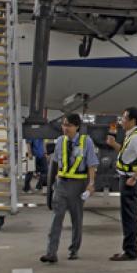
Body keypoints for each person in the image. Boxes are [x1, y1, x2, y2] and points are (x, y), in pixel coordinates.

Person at [41, 113, 98, 263]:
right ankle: (51, 252)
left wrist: (91, 184)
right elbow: (55, 163)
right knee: (56, 219)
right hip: (61, 184)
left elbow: (92, 164)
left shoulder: (87, 142)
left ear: (77, 127)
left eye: (68, 125)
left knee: (76, 219)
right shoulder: (60, 141)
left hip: (78, 186)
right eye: (64, 125)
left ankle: (74, 249)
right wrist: (52, 185)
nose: (65, 128)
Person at [105, 107, 137, 260]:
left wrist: (135, 177)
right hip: (127, 179)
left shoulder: (136, 137)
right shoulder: (131, 135)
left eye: (124, 118)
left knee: (129, 217)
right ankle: (129, 249)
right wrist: (114, 144)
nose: (121, 121)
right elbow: (127, 155)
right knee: (128, 216)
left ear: (132, 121)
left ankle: (130, 251)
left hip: (130, 181)